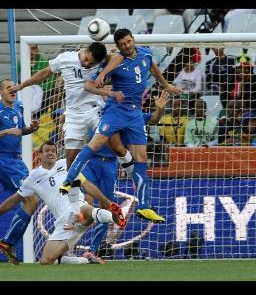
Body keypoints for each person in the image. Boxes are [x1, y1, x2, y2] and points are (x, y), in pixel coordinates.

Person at [60, 28, 182, 224]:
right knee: (96, 143)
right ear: (118, 47)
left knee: (141, 159)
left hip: (134, 113)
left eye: (128, 42)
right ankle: (68, 180)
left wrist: (165, 84)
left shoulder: (145, 54)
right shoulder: (116, 61)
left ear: (133, 40)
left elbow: (152, 66)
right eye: (122, 44)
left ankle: (144, 207)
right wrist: (105, 87)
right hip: (116, 111)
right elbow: (88, 85)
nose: (126, 46)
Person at [0, 140, 125, 265]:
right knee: (45, 261)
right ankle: (87, 260)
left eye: (53, 150)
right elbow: (14, 200)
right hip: (62, 223)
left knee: (85, 210)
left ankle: (115, 217)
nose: (51, 152)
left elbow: (87, 185)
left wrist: (108, 202)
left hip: (76, 210)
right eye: (47, 150)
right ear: (39, 155)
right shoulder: (34, 176)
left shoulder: (66, 165)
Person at [10, 42, 134, 171]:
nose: (86, 64)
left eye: (91, 64)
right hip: (74, 114)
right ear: (85, 50)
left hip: (95, 110)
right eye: (86, 59)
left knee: (116, 145)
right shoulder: (66, 58)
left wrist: (103, 73)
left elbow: (119, 57)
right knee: (71, 160)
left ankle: (136, 175)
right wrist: (22, 85)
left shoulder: (102, 61)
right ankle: (73, 191)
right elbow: (44, 73)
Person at [82, 90, 171, 263]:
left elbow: (152, 120)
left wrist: (159, 109)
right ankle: (67, 246)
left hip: (110, 164)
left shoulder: (129, 113)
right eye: (108, 91)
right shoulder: (95, 109)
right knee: (85, 205)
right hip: (90, 162)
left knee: (107, 207)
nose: (111, 94)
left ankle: (92, 250)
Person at [0, 78, 39, 263]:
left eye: (14, 86)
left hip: (18, 161)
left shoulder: (19, 106)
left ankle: (8, 242)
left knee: (31, 201)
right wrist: (5, 132)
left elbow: (19, 131)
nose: (12, 89)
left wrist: (30, 129)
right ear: (1, 92)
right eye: (8, 87)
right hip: (5, 162)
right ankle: (7, 241)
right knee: (30, 198)